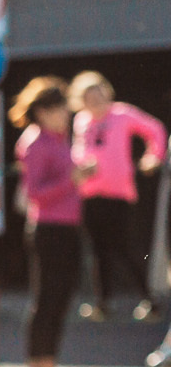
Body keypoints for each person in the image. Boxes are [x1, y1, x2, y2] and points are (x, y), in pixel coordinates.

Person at [69, 70, 165, 322]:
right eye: (89, 97)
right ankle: (102, 303)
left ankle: (149, 300)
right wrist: (80, 169)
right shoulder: (81, 121)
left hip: (118, 193)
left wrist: (152, 157)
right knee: (98, 250)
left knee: (122, 247)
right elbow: (78, 152)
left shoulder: (122, 114)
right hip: (90, 193)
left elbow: (155, 129)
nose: (95, 101)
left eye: (98, 94)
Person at [12, 76, 88, 367]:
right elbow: (35, 194)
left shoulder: (60, 140)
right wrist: (73, 179)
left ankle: (49, 365)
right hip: (48, 229)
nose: (66, 115)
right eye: (61, 110)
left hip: (68, 227)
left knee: (61, 297)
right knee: (47, 297)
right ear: (44, 111)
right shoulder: (35, 143)